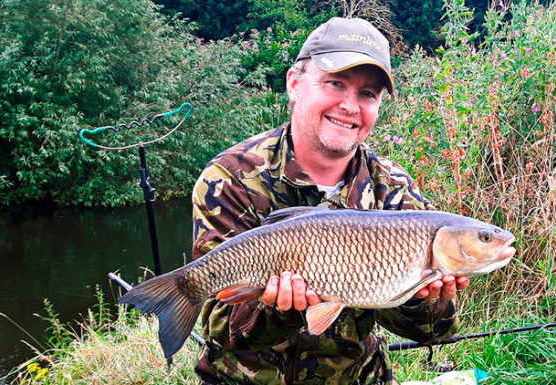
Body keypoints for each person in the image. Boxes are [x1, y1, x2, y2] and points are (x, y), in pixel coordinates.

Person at [191, 16, 469, 385]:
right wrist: (282, 311)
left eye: (367, 94)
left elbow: (434, 333)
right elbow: (219, 330)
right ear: (294, 84)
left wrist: (423, 300)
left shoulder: (393, 187)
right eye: (335, 83)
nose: (350, 106)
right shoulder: (230, 178)